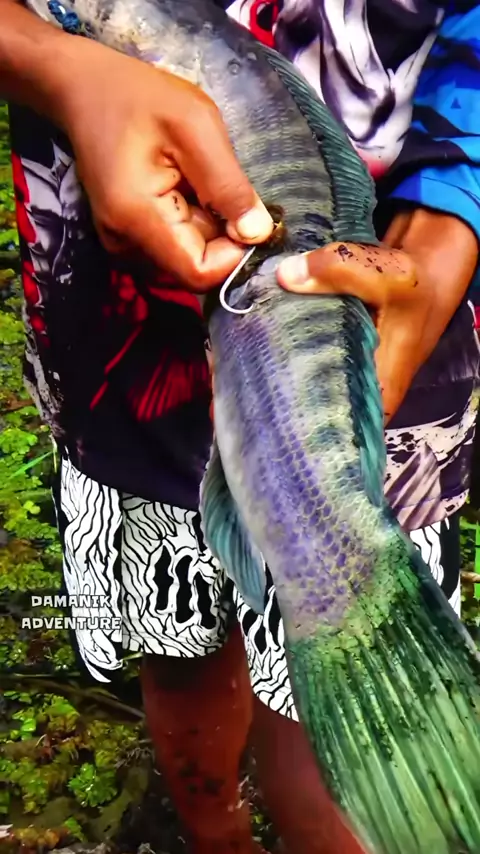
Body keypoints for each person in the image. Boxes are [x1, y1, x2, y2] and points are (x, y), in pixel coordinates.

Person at [1, 0, 479, 852]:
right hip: (122, 376)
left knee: (329, 687)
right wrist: (49, 62)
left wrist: (453, 208)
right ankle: (215, 833)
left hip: (385, 334)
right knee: (177, 649)